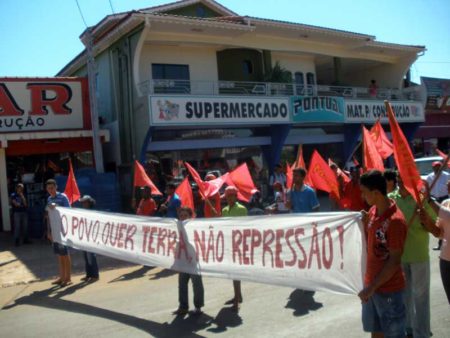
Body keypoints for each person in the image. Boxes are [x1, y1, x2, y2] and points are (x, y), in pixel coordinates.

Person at [359, 170, 408, 338]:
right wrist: (365, 223)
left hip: (389, 291)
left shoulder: (395, 221)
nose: (362, 196)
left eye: (364, 192)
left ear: (376, 193)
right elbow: (374, 243)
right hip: (372, 288)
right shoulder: (373, 211)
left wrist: (372, 287)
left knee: (394, 335)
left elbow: (394, 261)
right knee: (376, 331)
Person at [389, 175, 436, 338]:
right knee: (403, 296)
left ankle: (422, 332)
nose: (400, 183)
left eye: (404, 180)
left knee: (421, 297)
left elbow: (436, 227)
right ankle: (408, 329)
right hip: (399, 257)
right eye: (398, 180)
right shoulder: (391, 199)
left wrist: (425, 220)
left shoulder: (421, 199)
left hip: (419, 255)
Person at [173, 206, 204, 316]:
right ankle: (183, 307)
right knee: (182, 283)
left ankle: (198, 306)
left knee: (196, 284)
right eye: (181, 216)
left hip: (194, 260)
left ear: (191, 217)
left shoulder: (195, 227)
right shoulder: (177, 227)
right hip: (182, 261)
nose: (183, 218)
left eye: (185, 216)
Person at [222, 186, 248, 312]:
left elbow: (245, 227)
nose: (228, 198)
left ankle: (237, 300)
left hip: (239, 244)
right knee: (232, 273)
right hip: (228, 244)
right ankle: (238, 295)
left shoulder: (242, 209)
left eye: (230, 196)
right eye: (227, 196)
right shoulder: (224, 210)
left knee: (236, 272)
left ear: (235, 196)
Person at [420, 197, 450, 304]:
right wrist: (427, 222)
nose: (447, 182)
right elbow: (439, 233)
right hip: (446, 262)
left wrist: (429, 200)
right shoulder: (446, 203)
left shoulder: (442, 208)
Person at [45, 179, 72, 287]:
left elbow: (69, 212)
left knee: (65, 254)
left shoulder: (63, 197)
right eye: (48, 188)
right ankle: (61, 277)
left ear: (56, 187)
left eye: (52, 188)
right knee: (59, 255)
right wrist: (48, 231)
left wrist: (57, 207)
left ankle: (68, 278)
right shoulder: (49, 198)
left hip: (63, 230)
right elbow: (48, 216)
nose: (50, 190)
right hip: (55, 230)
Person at [426, 161, 449, 250]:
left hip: (445, 199)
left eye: (439, 166)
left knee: (444, 220)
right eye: (435, 167)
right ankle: (440, 242)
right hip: (434, 200)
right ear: (433, 168)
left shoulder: (447, 176)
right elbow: (426, 189)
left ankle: (443, 242)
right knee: (437, 221)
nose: (437, 168)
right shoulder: (429, 177)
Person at [79, 195, 100, 283]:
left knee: (91, 256)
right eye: (82, 202)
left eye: (85, 202)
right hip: (84, 236)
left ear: (89, 203)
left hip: (91, 237)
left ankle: (95, 275)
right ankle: (89, 274)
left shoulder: (92, 212)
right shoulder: (82, 212)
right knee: (86, 256)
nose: (83, 204)